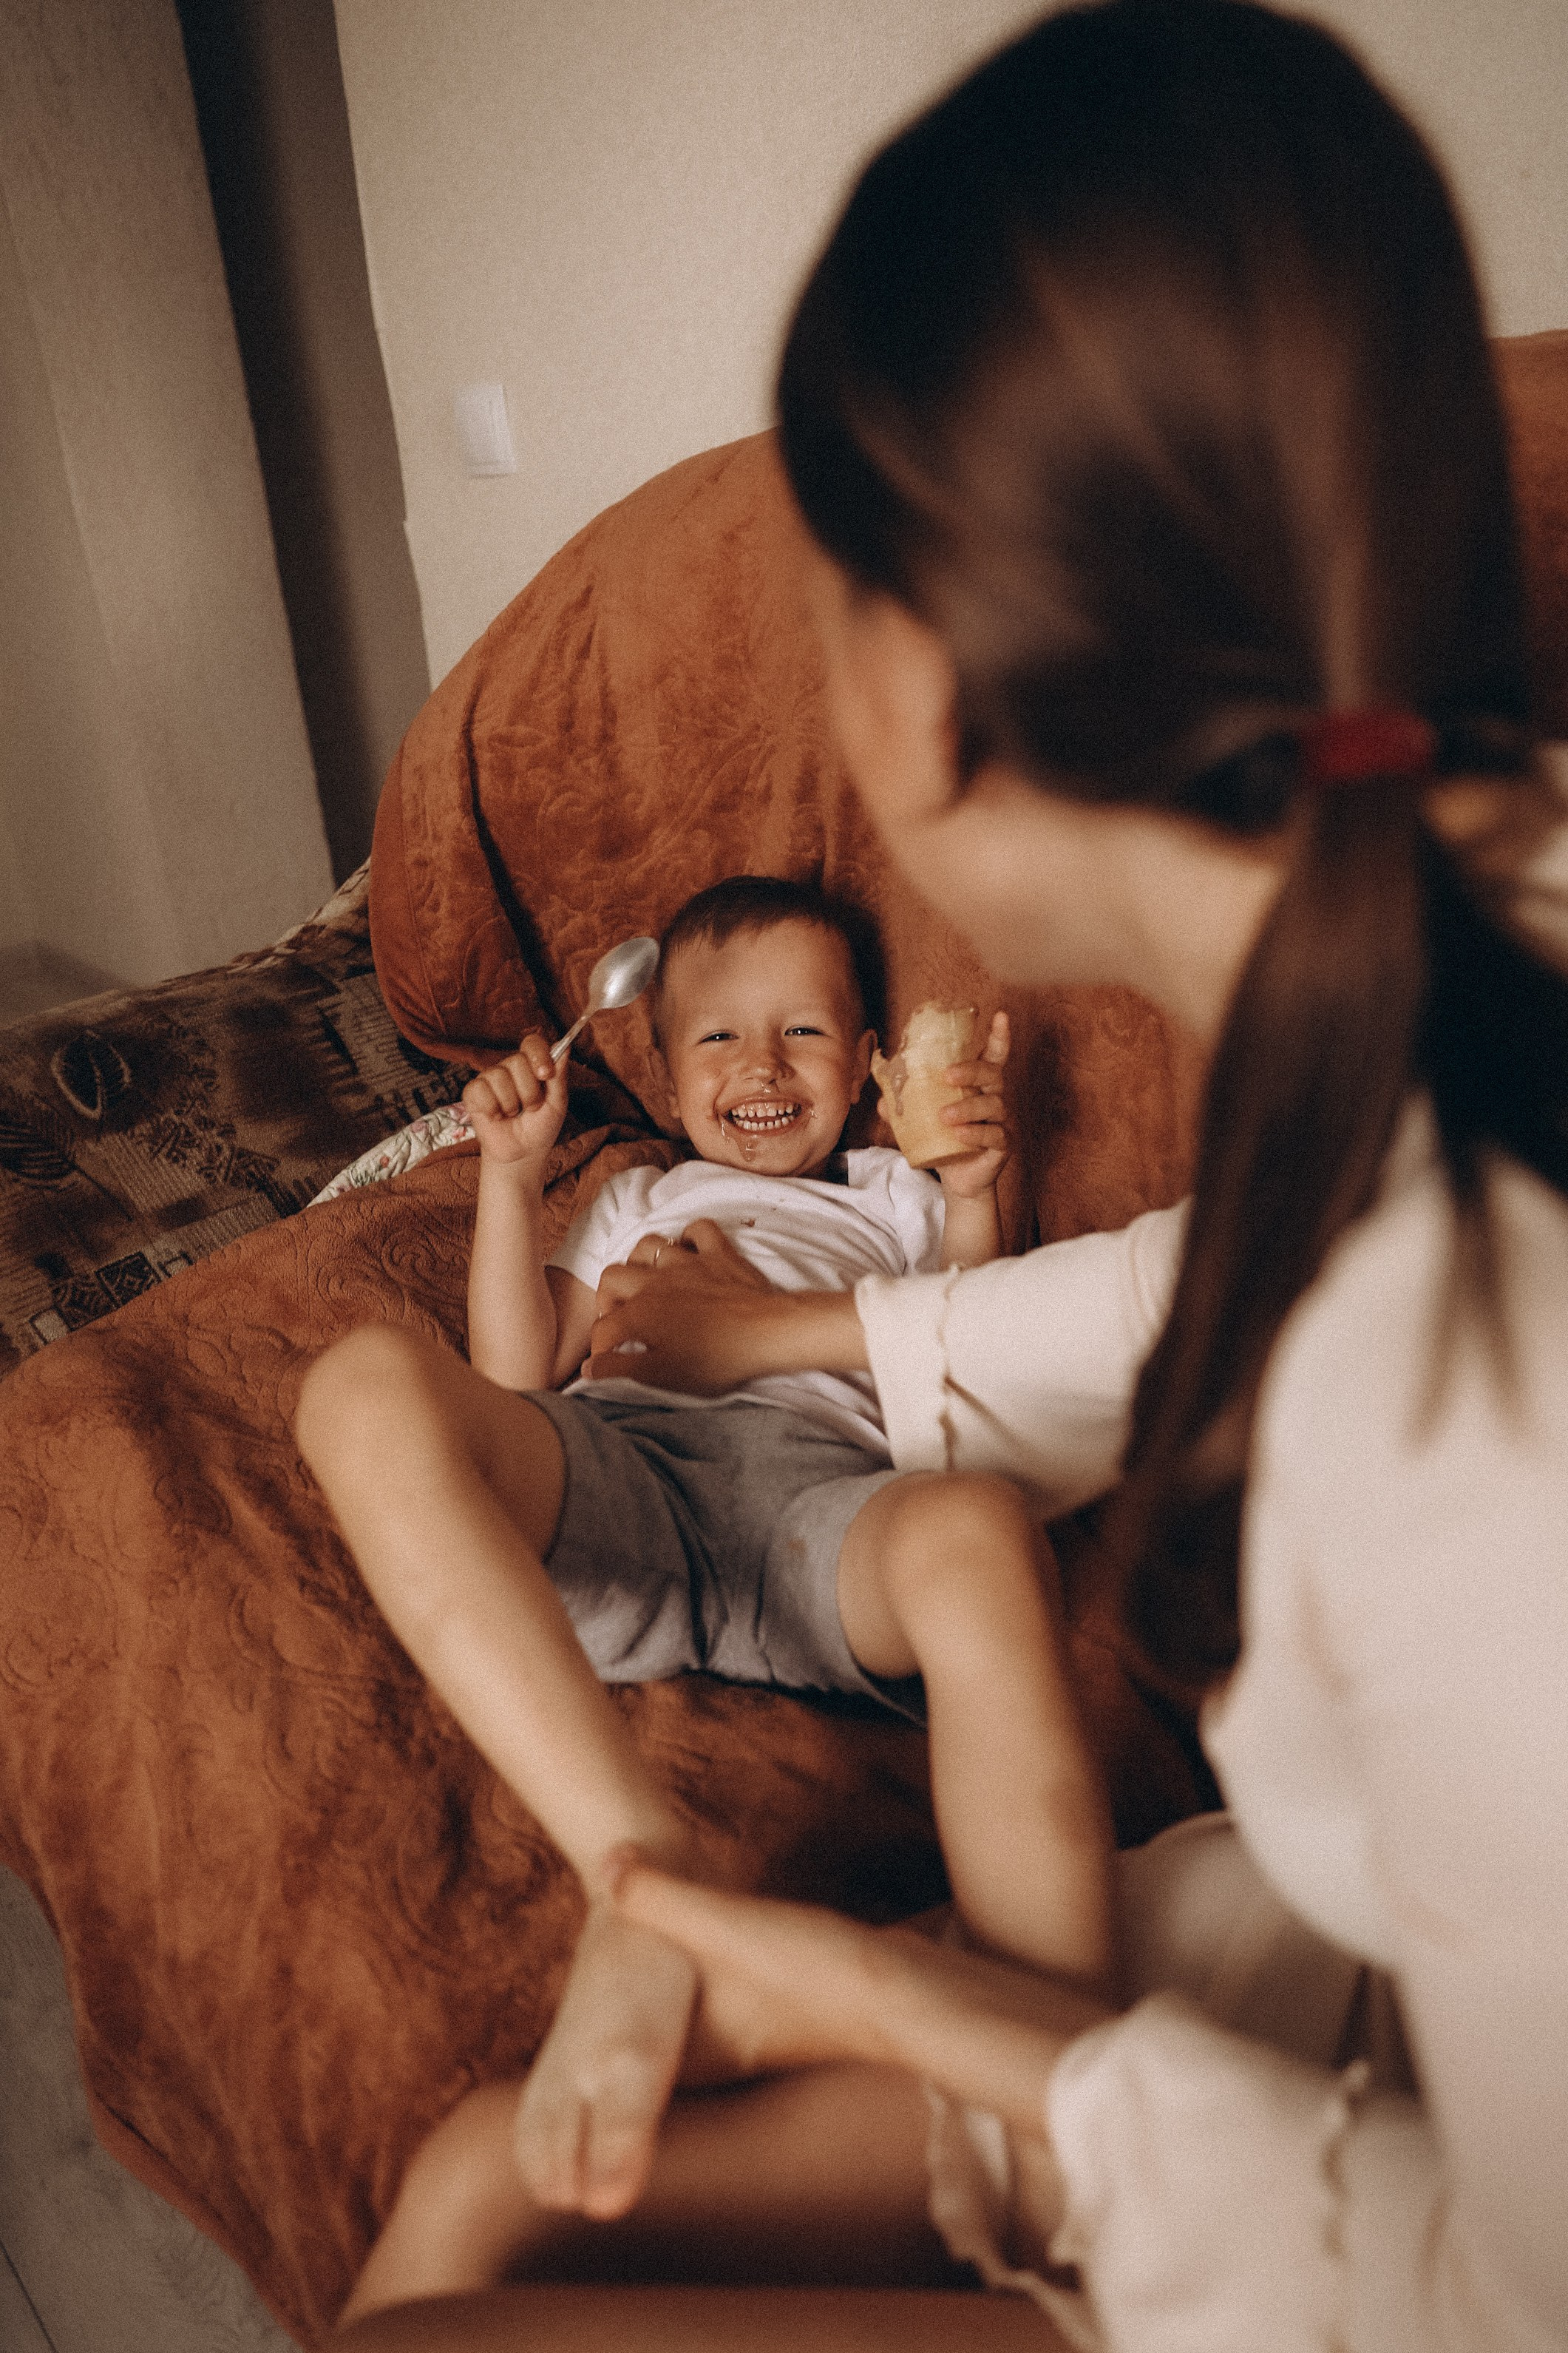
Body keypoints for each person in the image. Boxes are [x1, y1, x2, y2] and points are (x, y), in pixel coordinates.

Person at [330, 0, 1568, 2345]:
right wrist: (822, 1969)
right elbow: (1139, 1307)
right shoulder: (1467, 928)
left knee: (443, 2312)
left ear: (924, 690)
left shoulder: (1471, 1391)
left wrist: (906, 2008)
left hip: (1443, 2249)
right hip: (1365, 2013)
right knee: (485, 2177)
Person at [299, 874, 1116, 2292]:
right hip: (622, 1468)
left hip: (823, 1506)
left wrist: (975, 1192)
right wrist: (509, 1177)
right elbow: (514, 1371)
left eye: (803, 1033)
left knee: (981, 1528)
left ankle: (1046, 2032)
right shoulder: (635, 1192)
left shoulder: (893, 1197)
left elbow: (978, 1343)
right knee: (362, 1386)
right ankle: (644, 1864)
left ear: (867, 1070)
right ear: (661, 1073)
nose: (759, 1067)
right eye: (719, 1041)